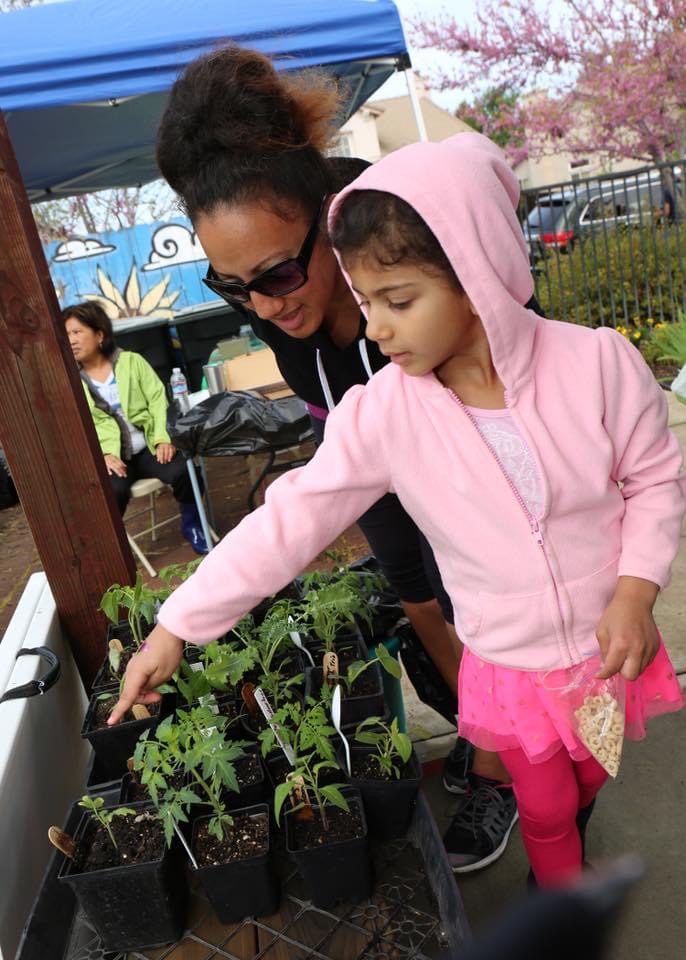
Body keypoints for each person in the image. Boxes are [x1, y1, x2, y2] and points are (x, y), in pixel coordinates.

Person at [110, 131, 684, 887]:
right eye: (365, 300)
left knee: (589, 777)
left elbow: (654, 479)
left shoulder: (596, 363)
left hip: (610, 642)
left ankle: (568, 855)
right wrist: (177, 625)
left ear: (476, 273)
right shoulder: (384, 414)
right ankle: (561, 895)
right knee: (545, 803)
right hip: (513, 665)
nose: (375, 328)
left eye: (399, 301)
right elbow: (289, 520)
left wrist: (636, 590)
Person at [153, 46, 527, 871]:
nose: (264, 306)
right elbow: (345, 480)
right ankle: (488, 740)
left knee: (483, 595)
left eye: (279, 273)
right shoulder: (290, 322)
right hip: (382, 459)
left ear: (329, 219)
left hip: (490, 463)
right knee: (412, 592)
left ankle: (517, 767)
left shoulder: (406, 237)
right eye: (232, 286)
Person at [63, 302, 208, 554]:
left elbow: (158, 400)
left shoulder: (131, 362)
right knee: (109, 492)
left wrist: (163, 438)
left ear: (99, 334)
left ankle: (193, 523)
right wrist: (101, 456)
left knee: (184, 470)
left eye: (77, 332)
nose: (71, 340)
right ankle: (113, 549)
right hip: (114, 457)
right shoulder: (71, 380)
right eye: (66, 335)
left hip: (149, 446)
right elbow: (73, 427)